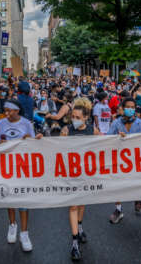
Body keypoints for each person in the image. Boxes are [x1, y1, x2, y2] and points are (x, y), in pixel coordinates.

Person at [0, 99, 42, 252]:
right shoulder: (1, 123)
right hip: (7, 165)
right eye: (5, 110)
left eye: (9, 110)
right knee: (9, 197)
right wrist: (1, 143)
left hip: (23, 167)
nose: (6, 113)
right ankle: (12, 225)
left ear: (17, 111)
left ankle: (24, 232)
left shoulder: (27, 123)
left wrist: (32, 140)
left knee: (23, 199)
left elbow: (33, 143)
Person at [60, 101, 95, 261]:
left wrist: (120, 138)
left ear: (86, 117)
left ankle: (80, 227)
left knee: (82, 203)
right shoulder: (66, 130)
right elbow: (56, 150)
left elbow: (110, 144)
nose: (74, 119)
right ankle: (74, 242)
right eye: (72, 116)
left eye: (77, 117)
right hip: (71, 175)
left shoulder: (92, 130)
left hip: (87, 174)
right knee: (73, 205)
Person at [107, 97, 141, 223]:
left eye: (132, 107)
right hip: (119, 159)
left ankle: (138, 197)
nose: (130, 109)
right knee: (118, 185)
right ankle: (118, 210)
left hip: (135, 159)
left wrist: (128, 138)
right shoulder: (116, 123)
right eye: (127, 107)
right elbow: (108, 139)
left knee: (136, 182)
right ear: (122, 109)